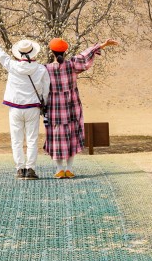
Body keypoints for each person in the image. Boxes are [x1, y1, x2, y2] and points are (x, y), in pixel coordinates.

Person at [0, 33, 50, 180]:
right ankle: (31, 169)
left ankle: (20, 168)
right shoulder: (41, 69)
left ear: (19, 53)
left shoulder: (12, 66)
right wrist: (45, 104)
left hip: (15, 107)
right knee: (32, 139)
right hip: (33, 107)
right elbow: (46, 89)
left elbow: (1, 55)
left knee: (16, 139)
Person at [44, 37, 118, 178]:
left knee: (57, 137)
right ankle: (70, 169)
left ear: (51, 51)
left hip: (54, 108)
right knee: (72, 135)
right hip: (72, 106)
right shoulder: (72, 64)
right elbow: (86, 55)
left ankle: (59, 169)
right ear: (65, 51)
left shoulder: (45, 69)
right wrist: (102, 44)